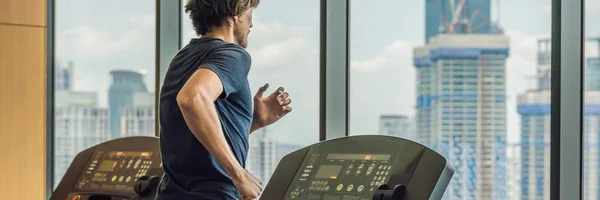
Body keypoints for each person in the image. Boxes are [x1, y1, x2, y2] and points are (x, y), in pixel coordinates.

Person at [156, 0, 292, 199]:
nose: (251, 23)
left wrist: (252, 121)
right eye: (249, 12)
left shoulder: (183, 57)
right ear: (234, 15)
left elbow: (190, 131)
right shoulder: (233, 54)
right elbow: (192, 99)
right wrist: (239, 175)